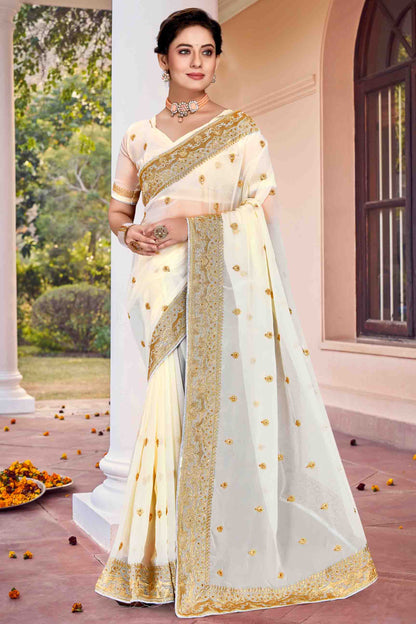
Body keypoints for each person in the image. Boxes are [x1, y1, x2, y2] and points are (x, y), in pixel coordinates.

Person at [94, 7, 378, 619]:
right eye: (185, 51)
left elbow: (262, 211)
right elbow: (119, 210)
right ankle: (161, 561)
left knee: (222, 409)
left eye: (208, 51)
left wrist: (187, 225)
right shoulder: (138, 136)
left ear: (218, 59)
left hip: (223, 281)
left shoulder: (241, 131)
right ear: (164, 59)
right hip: (159, 286)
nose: (198, 62)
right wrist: (129, 233)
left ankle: (215, 552)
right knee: (169, 407)